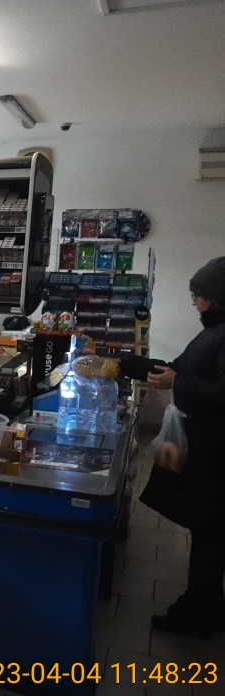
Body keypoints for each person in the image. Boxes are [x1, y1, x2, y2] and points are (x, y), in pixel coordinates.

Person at [124, 256, 225, 638]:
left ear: (216, 298)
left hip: (215, 454)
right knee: (207, 532)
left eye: (198, 296)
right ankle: (206, 606)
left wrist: (177, 384)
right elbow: (177, 369)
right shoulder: (212, 332)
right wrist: (126, 365)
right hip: (205, 448)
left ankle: (200, 614)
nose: (194, 303)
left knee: (209, 535)